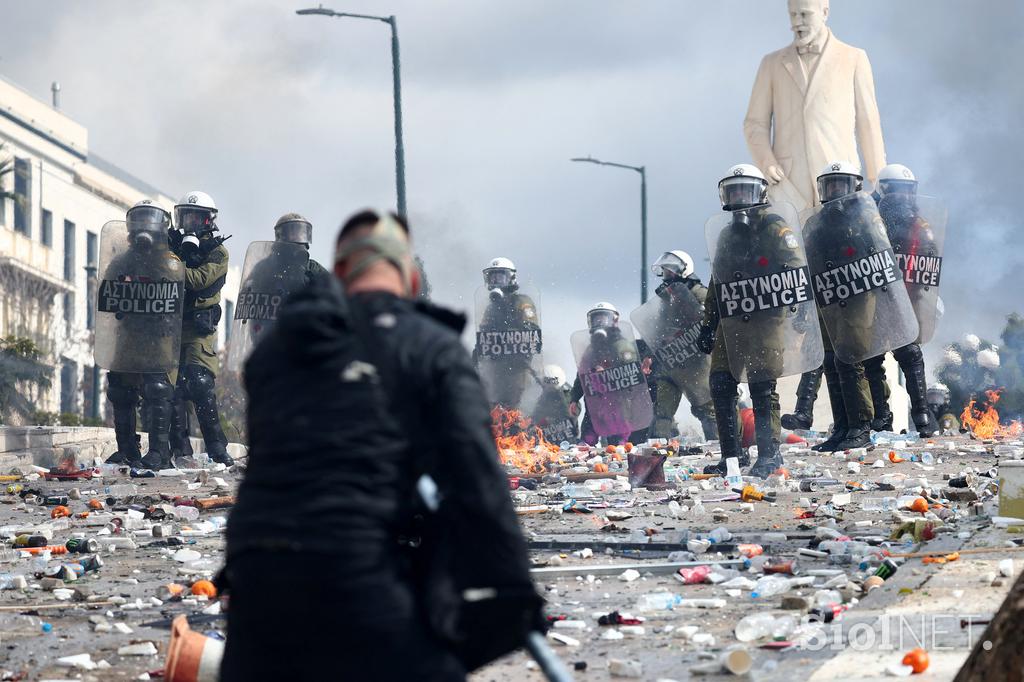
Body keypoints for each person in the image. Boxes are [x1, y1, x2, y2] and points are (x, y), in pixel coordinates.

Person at [222, 209, 542, 681]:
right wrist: (512, 591)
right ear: (411, 280)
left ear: (342, 274)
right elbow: (477, 483)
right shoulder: (430, 347)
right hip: (359, 571)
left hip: (255, 580)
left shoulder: (276, 351)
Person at [699, 164, 810, 478]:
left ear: (760, 192)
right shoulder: (726, 234)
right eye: (733, 191)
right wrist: (708, 323)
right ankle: (731, 458)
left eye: (745, 190)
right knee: (721, 384)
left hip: (766, 319)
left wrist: (801, 307)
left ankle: (769, 454)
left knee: (762, 386)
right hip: (732, 320)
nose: (739, 197)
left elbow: (796, 267)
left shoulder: (775, 228)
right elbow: (716, 282)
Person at [744, 0, 886, 211]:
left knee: (842, 239)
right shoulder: (771, 64)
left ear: (825, 12)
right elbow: (754, 124)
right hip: (788, 183)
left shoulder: (853, 58)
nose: (796, 22)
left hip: (839, 178)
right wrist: (767, 162)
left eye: (804, 14)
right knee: (788, 241)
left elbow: (868, 123)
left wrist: (878, 181)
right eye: (792, 15)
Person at [802, 162, 884, 451]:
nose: (835, 190)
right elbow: (807, 259)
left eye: (841, 183)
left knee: (850, 359)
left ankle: (861, 426)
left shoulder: (865, 217)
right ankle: (842, 428)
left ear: (855, 186)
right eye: (831, 184)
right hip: (829, 297)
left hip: (860, 295)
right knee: (831, 361)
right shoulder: (816, 222)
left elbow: (880, 254)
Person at [860, 164, 941, 436]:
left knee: (910, 354)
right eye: (897, 191)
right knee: (871, 359)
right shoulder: (868, 218)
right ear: (884, 191)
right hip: (873, 299)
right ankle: (881, 418)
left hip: (904, 299)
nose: (903, 198)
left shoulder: (919, 224)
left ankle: (922, 417)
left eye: (908, 192)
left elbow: (929, 258)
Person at [101, 201, 182, 468]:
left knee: (157, 390)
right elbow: (108, 296)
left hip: (157, 339)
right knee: (120, 390)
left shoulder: (170, 262)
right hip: (128, 338)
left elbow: (175, 293)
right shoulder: (121, 262)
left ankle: (159, 452)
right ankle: (126, 449)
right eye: (139, 220)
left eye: (150, 220)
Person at [160, 191, 232, 469]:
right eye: (185, 215)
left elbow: (200, 280)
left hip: (197, 330)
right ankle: (181, 451)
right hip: (168, 327)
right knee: (170, 388)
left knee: (200, 384)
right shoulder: (171, 245)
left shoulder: (216, 251)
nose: (189, 221)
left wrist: (169, 265)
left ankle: (217, 449)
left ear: (207, 220)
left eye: (195, 216)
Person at [644, 250, 717, 440]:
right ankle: (659, 450)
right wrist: (650, 354)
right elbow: (658, 330)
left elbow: (710, 320)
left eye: (671, 272)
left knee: (706, 409)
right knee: (663, 412)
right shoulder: (666, 301)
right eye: (665, 272)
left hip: (696, 362)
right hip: (671, 361)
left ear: (684, 271)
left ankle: (718, 448)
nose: (667, 276)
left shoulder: (699, 293)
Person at [570, 302, 651, 445]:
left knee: (618, 444)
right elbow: (581, 375)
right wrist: (574, 398)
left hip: (618, 402)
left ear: (614, 320)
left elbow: (632, 374)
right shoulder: (590, 350)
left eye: (603, 318)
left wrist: (607, 374)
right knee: (586, 442)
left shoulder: (622, 346)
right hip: (595, 402)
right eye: (596, 319)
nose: (599, 322)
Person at [473, 257, 542, 412]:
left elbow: (531, 333)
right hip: (496, 364)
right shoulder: (491, 309)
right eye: (493, 277)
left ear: (511, 278)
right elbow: (483, 338)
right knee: (495, 404)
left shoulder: (522, 302)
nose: (496, 281)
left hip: (518, 364)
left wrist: (520, 354)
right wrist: (475, 358)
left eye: (500, 277)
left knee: (514, 404)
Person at [531, 364, 578, 445]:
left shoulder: (568, 396)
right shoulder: (541, 399)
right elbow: (536, 417)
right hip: (548, 443)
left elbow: (573, 413)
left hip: (567, 442)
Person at [273, 212, 329, 281]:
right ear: (281, 235)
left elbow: (330, 288)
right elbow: (257, 285)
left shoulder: (313, 268)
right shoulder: (268, 267)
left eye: (300, 233)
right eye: (292, 233)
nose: (297, 237)